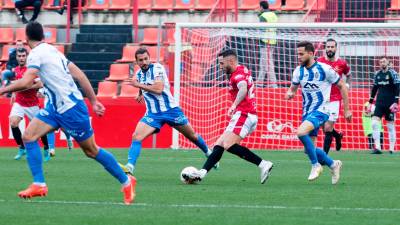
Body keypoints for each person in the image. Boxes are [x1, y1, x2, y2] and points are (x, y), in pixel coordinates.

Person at [0, 22, 136, 204]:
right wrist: (94, 101)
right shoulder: (53, 51)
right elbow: (79, 75)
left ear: (26, 38)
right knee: (29, 137)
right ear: (43, 37)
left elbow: (26, 82)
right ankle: (39, 183)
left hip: (72, 109)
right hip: (55, 108)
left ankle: (126, 181)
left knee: (91, 151)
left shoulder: (36, 55)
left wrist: (2, 90)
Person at [183, 49, 274, 184]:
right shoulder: (242, 69)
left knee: (228, 144)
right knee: (219, 144)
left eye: (221, 63)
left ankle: (263, 164)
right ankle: (201, 173)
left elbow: (243, 88)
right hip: (245, 114)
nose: (220, 67)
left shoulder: (237, 76)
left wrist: (233, 105)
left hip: (245, 114)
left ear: (231, 61)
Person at [122, 47, 217, 175]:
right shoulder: (138, 74)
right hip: (153, 114)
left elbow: (159, 89)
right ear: (137, 62)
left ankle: (208, 153)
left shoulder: (157, 68)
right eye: (141, 60)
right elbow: (142, 83)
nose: (144, 62)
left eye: (146, 59)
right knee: (136, 136)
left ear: (149, 58)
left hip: (171, 110)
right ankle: (130, 166)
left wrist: (138, 86)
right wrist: (140, 93)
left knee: (192, 135)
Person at [285, 41, 352, 184]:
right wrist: (290, 93)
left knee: (301, 132)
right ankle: (333, 164)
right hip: (307, 111)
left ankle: (315, 165)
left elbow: (342, 87)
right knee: (309, 149)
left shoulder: (325, 69)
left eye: (301, 54)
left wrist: (347, 109)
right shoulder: (298, 71)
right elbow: (293, 88)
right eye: (298, 54)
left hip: (322, 110)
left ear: (311, 53)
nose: (299, 57)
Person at [8, 47, 50, 161]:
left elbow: (40, 84)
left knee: (40, 130)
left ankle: (46, 148)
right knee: (13, 122)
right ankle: (22, 148)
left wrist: (26, 86)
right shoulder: (15, 70)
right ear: (16, 57)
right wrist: (14, 92)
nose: (21, 58)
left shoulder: (31, 70)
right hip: (20, 103)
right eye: (19, 56)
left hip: (32, 104)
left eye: (23, 56)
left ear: (27, 57)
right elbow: (17, 84)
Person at [317, 38, 351, 153]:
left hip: (335, 99)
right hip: (322, 98)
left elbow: (348, 74)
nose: (330, 49)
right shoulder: (319, 61)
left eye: (332, 47)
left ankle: (323, 159)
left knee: (328, 128)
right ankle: (337, 136)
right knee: (324, 127)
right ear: (325, 48)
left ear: (336, 48)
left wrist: (347, 84)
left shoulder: (342, 63)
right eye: (328, 47)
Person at [366, 56, 399, 154]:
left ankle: (392, 149)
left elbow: (398, 87)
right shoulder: (377, 74)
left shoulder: (393, 73)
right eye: (381, 62)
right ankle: (378, 148)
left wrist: (396, 102)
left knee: (390, 126)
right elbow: (374, 89)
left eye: (384, 61)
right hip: (379, 103)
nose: (382, 63)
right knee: (374, 123)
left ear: (388, 63)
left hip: (390, 104)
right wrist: (370, 103)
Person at [257, 0, 278, 88]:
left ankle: (274, 85)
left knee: (268, 64)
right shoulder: (274, 15)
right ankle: (259, 84)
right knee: (263, 64)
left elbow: (261, 30)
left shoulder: (263, 16)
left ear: (261, 7)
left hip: (265, 42)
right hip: (272, 40)